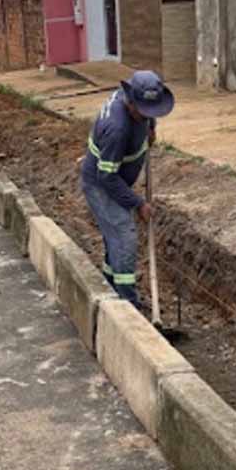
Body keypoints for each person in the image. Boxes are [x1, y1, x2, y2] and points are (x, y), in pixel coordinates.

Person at [80, 71, 175, 308]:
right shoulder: (117, 129)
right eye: (144, 112)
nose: (148, 116)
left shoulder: (137, 102)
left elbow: (150, 110)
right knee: (123, 236)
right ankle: (126, 303)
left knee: (115, 238)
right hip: (101, 185)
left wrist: (150, 129)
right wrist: (137, 203)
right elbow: (107, 177)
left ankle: (110, 285)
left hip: (116, 177)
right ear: (130, 101)